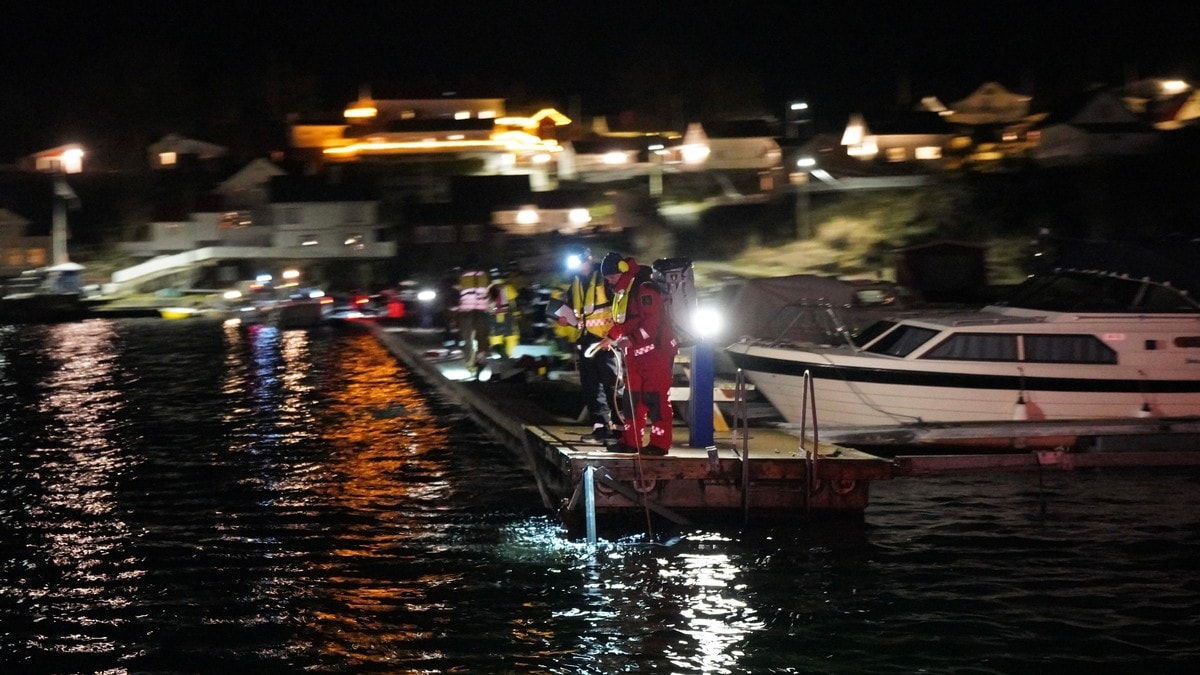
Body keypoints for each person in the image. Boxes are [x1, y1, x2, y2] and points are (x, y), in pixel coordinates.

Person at [596, 251, 677, 456]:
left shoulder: (644, 289)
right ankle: (631, 441)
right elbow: (622, 322)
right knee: (631, 400)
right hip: (635, 356)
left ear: (622, 271)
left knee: (656, 400)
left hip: (655, 354)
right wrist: (610, 337)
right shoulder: (622, 293)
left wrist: (631, 340)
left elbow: (652, 323)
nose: (609, 282)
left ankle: (660, 444)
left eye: (611, 277)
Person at [550, 245, 622, 442]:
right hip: (586, 340)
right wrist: (563, 319)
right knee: (591, 387)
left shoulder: (604, 277)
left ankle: (620, 431)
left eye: (581, 262)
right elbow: (577, 310)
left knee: (612, 385)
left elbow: (619, 307)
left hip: (607, 340)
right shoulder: (575, 282)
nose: (579, 267)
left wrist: (614, 337)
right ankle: (600, 428)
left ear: (589, 258)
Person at [454, 254, 492, 377]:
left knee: (468, 339)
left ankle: (471, 367)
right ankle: (481, 357)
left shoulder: (463, 276)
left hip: (466, 312)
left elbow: (460, 291)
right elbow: (489, 291)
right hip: (481, 310)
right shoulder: (484, 275)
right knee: (482, 337)